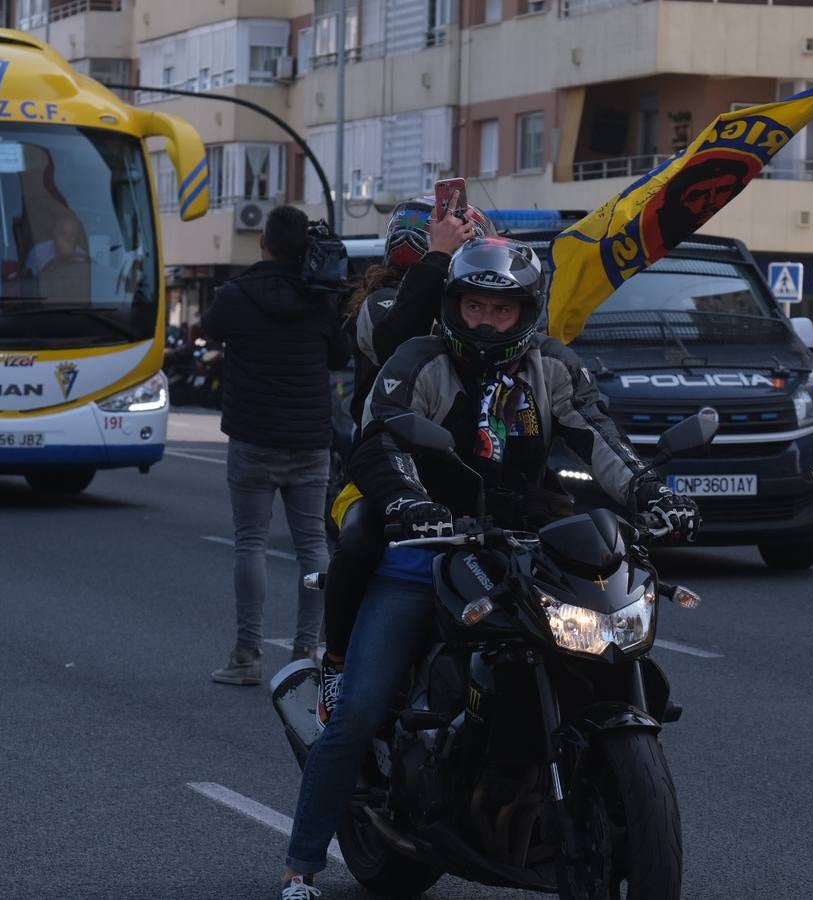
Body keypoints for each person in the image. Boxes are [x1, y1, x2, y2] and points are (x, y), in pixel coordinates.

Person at [276, 237, 700, 898]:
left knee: (600, 634)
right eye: (474, 304)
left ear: (524, 310)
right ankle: (301, 863)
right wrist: (410, 504)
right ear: (454, 303)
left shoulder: (554, 367)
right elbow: (379, 441)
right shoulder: (416, 361)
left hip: (525, 541)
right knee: (358, 711)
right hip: (430, 547)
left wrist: (653, 494)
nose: (485, 320)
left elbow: (600, 437)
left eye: (500, 310)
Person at [317, 195, 489, 724]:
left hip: (462, 472)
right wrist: (436, 258)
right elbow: (395, 340)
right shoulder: (382, 302)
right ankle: (337, 664)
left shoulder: (472, 308)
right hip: (383, 469)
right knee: (362, 536)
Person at [202, 205, 351, 685]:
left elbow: (209, 330)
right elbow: (340, 356)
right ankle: (309, 651)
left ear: (263, 244)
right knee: (312, 546)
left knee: (250, 543)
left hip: (253, 436)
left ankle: (247, 656)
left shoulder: (236, 295)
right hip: (309, 438)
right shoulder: (320, 300)